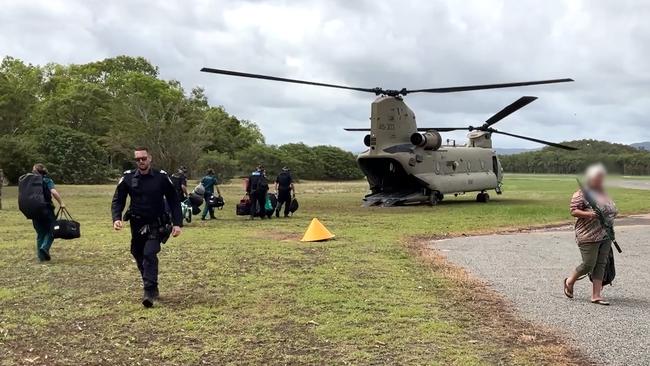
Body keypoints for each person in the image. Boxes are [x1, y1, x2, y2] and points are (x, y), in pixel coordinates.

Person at [111, 147, 182, 308]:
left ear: (150, 158)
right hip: (136, 223)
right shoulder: (128, 178)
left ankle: (149, 291)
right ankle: (151, 283)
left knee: (149, 253)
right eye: (138, 159)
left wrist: (177, 223)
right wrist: (116, 218)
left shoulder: (161, 177)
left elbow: (174, 200)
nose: (141, 162)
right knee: (137, 253)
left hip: (157, 223)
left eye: (144, 158)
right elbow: (118, 200)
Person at [563, 163, 617, 306]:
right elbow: (574, 211)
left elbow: (611, 210)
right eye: (597, 177)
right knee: (588, 264)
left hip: (605, 235)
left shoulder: (603, 193)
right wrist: (590, 214)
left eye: (601, 177)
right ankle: (569, 281)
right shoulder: (581, 193)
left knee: (601, 264)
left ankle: (596, 295)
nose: (600, 180)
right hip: (588, 235)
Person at [28, 164, 65, 262]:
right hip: (46, 209)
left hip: (34, 210)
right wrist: (61, 203)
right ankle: (44, 248)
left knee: (40, 233)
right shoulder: (47, 180)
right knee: (52, 230)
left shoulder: (30, 182)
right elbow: (53, 192)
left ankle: (41, 258)